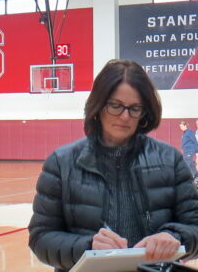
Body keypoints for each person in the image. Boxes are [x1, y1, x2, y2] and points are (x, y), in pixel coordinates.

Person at [29, 59, 198, 272]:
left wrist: (175, 236)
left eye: (135, 108)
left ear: (144, 112)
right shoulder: (61, 163)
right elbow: (41, 238)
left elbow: (195, 226)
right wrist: (88, 247)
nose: (125, 116)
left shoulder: (170, 160)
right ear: (99, 106)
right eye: (115, 106)